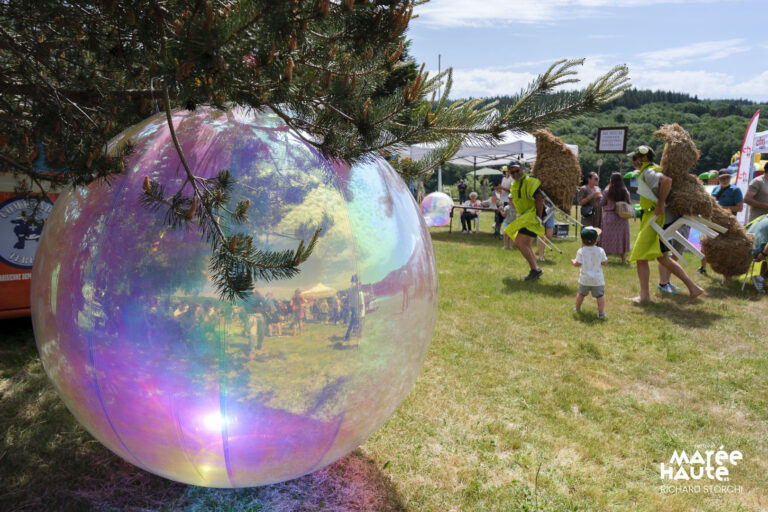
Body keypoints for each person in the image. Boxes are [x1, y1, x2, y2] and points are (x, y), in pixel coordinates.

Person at [627, 145, 704, 304]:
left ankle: (644, 296)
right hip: (653, 218)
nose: (633, 161)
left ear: (644, 158)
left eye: (635, 158)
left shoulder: (648, 171)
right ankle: (693, 288)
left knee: (641, 257)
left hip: (654, 218)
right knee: (663, 258)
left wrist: (661, 204)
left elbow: (666, 181)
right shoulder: (652, 169)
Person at [504, 159, 545, 280]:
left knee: (519, 243)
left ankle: (535, 269)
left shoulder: (530, 181)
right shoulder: (514, 184)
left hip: (532, 216)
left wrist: (539, 217)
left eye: (517, 170)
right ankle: (535, 269)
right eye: (512, 172)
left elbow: (539, 198)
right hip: (525, 217)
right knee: (526, 244)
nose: (515, 174)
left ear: (522, 169)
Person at [698, 169, 744, 274]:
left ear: (730, 178)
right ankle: (702, 268)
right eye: (723, 178)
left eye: (727, 178)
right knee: (706, 244)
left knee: (727, 247)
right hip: (712, 222)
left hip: (728, 223)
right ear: (718, 179)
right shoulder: (715, 189)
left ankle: (727, 270)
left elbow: (740, 208)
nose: (725, 180)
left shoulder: (736, 190)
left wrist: (721, 208)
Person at [572, 227, 608, 318]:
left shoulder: (581, 251)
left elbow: (577, 264)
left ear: (582, 241)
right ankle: (601, 313)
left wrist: (573, 261)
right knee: (600, 296)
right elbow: (604, 263)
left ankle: (577, 308)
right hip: (597, 280)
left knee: (581, 294)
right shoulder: (600, 250)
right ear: (596, 240)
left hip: (584, 279)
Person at [600, 172, 632, 264]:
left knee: (607, 238)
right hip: (622, 217)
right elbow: (629, 203)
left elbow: (601, 203)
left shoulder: (607, 191)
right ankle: (623, 260)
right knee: (622, 237)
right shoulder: (625, 192)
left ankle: (604, 259)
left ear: (611, 180)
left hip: (610, 216)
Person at [746, 214, 768, 292]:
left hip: (744, 246)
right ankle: (760, 278)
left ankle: (761, 277)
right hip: (755, 249)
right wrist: (763, 254)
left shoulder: (763, 217)